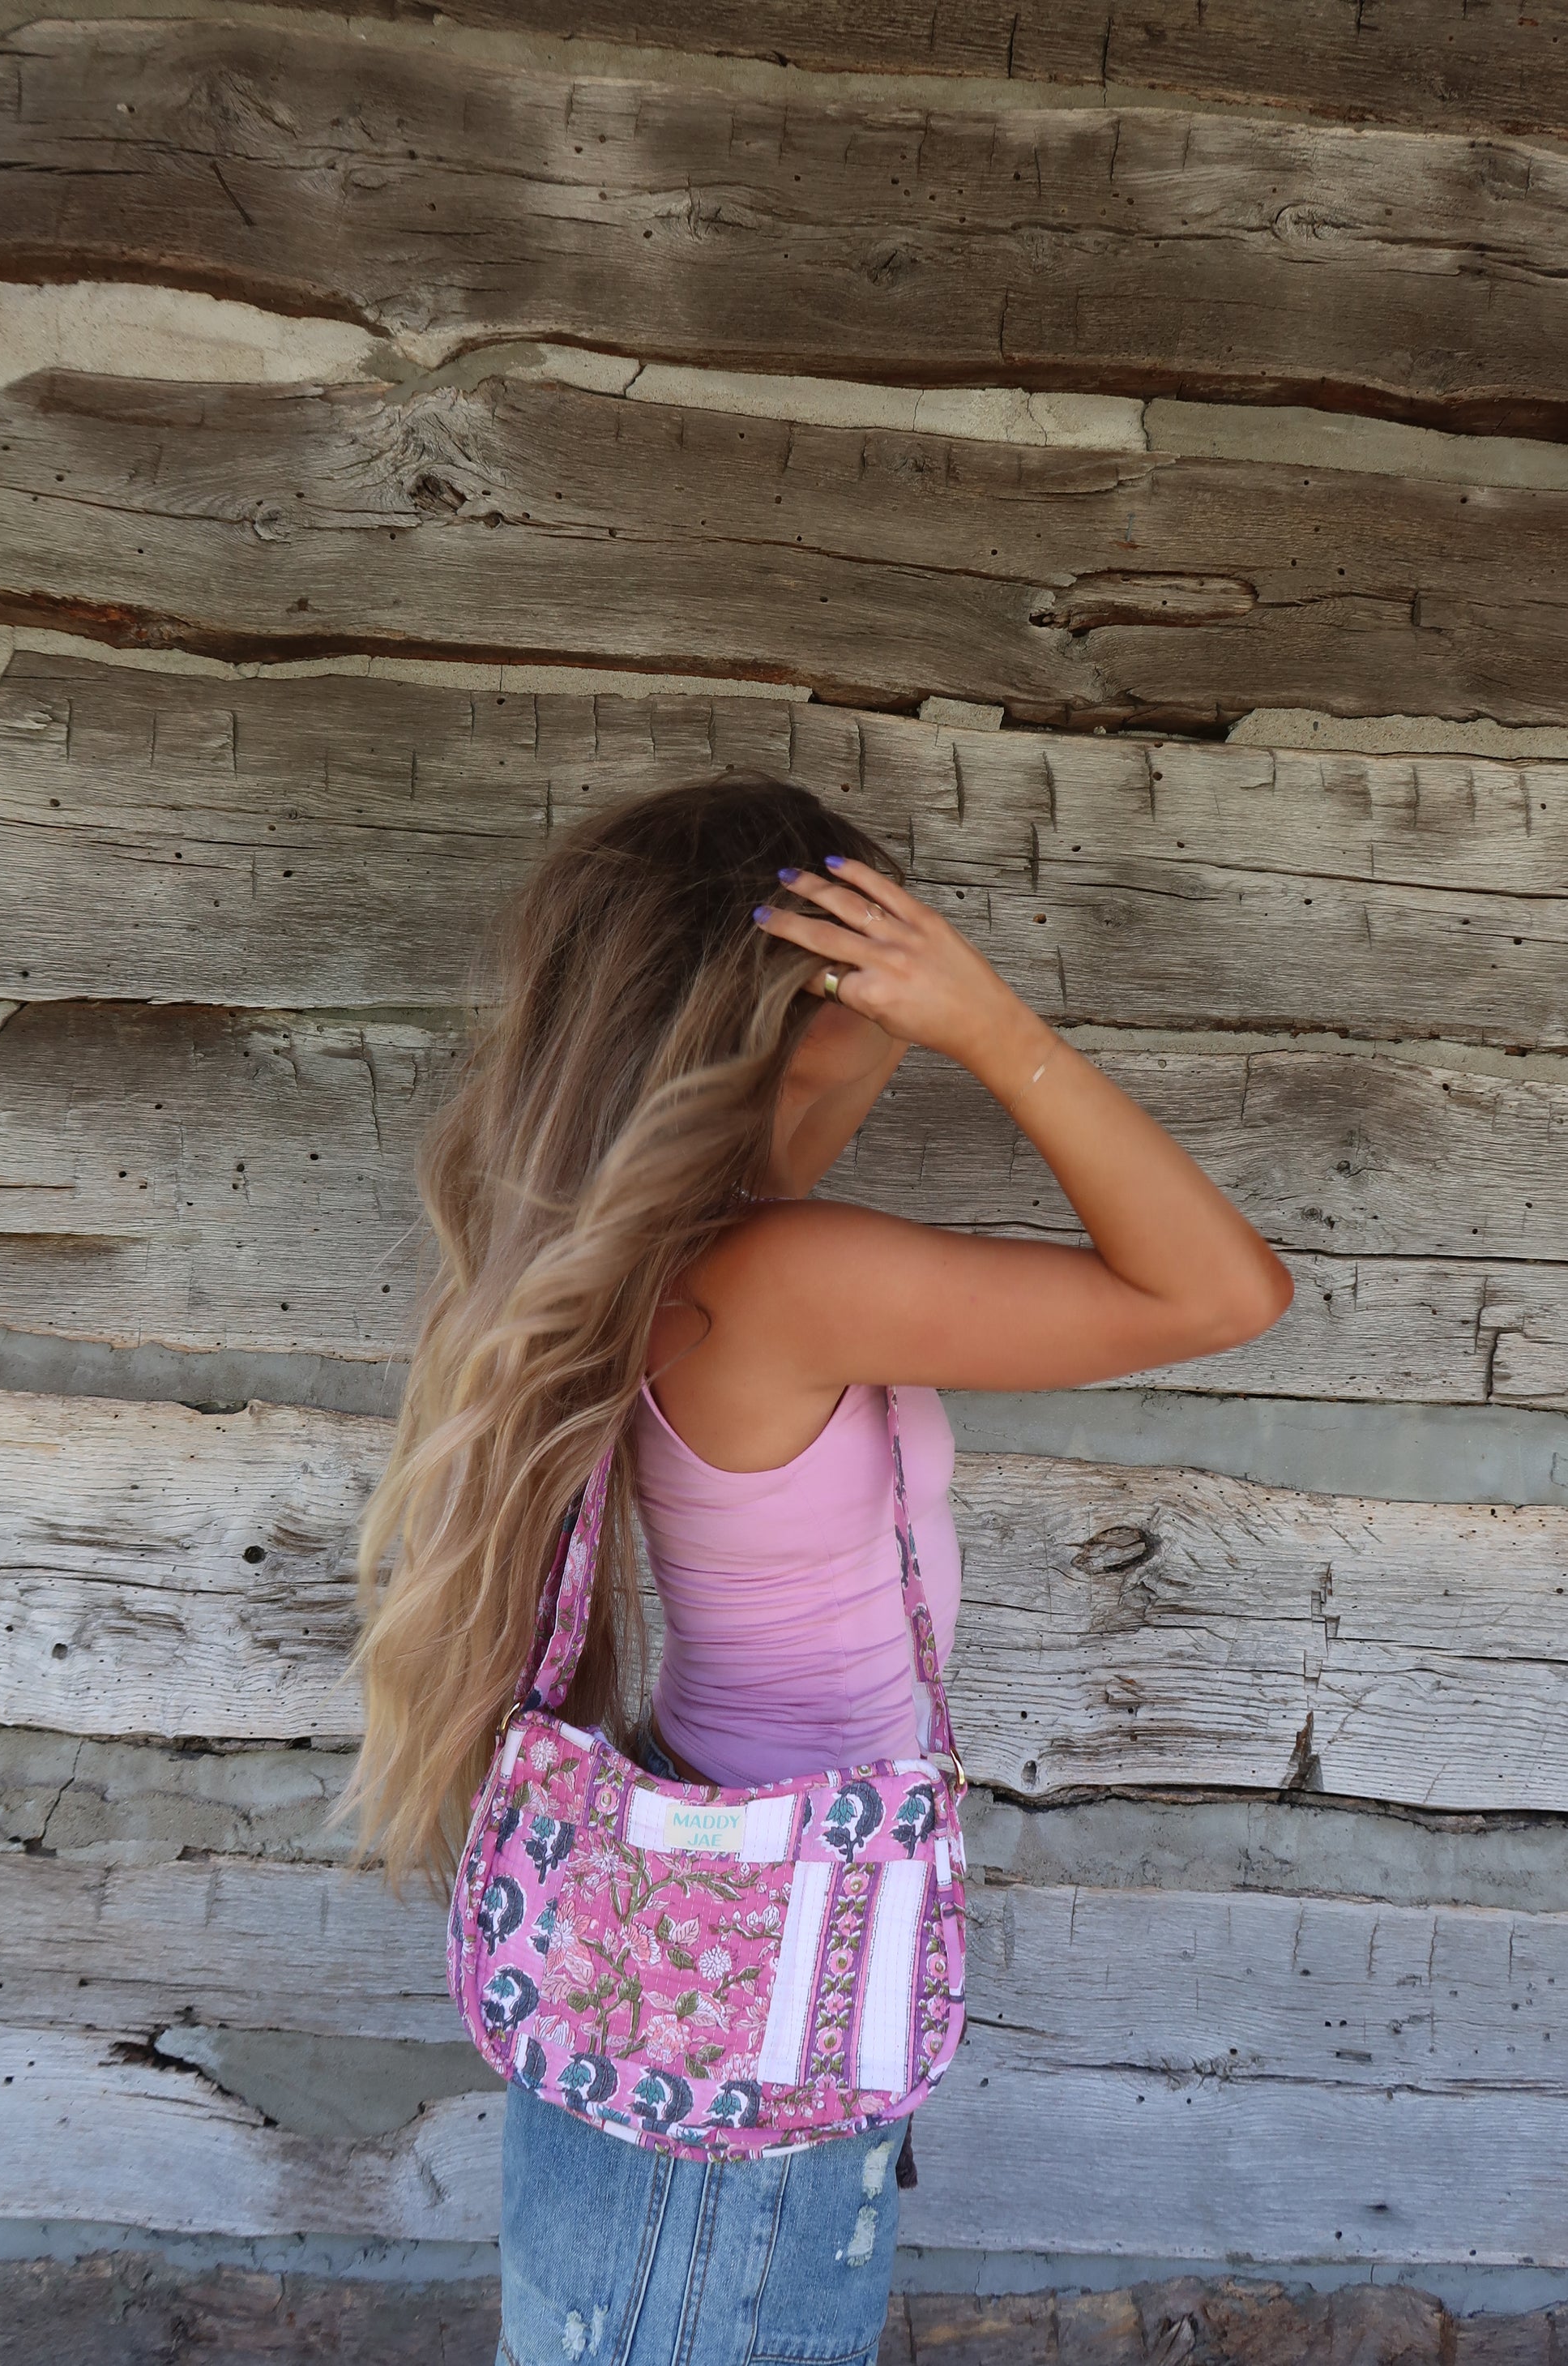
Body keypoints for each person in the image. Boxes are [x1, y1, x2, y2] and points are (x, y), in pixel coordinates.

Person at [343, 771, 1293, 2366]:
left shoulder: (648, 1250)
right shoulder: (778, 1273)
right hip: (774, 1925)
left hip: (716, 1900)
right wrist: (999, 1030)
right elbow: (1220, 1294)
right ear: (814, 1013)